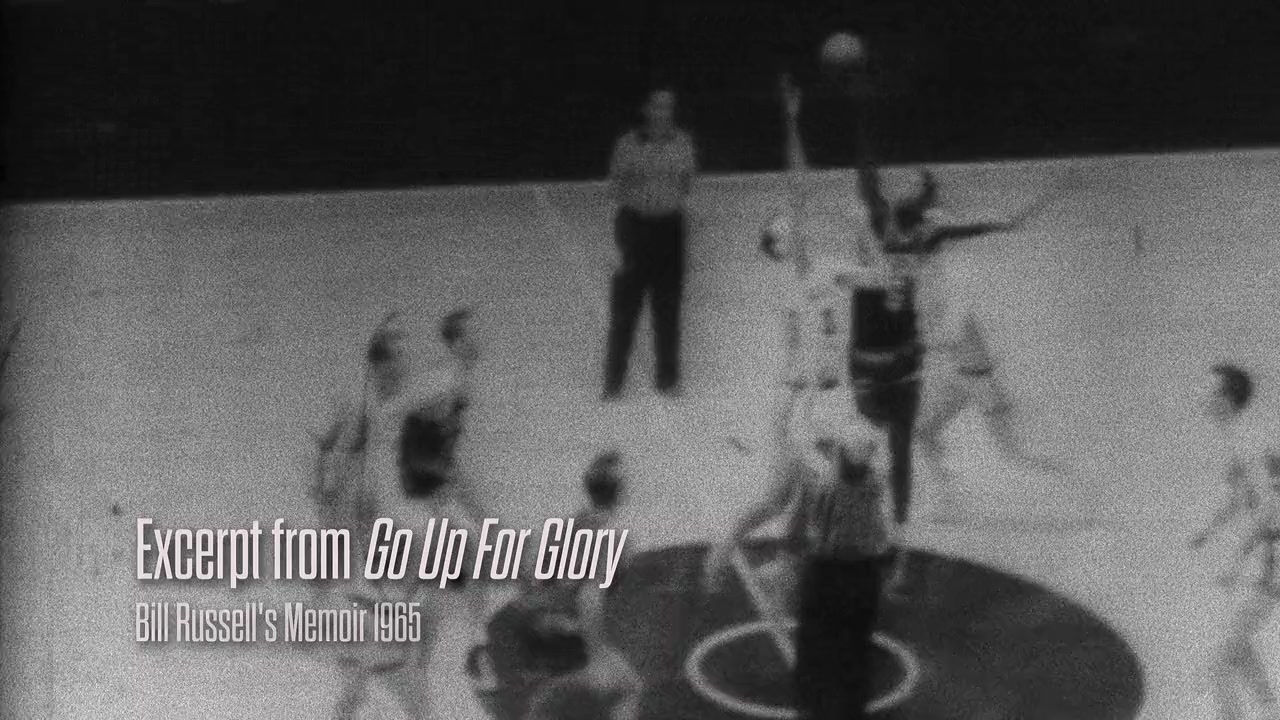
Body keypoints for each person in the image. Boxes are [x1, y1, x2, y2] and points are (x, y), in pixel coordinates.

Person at [704, 315, 894, 719]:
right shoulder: (812, 409)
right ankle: (777, 572)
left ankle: (782, 574)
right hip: (813, 442)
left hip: (822, 446)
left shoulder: (837, 398)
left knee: (805, 518)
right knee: (790, 510)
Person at [312, 309, 487, 719]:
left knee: (413, 595)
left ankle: (380, 681)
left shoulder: (403, 398)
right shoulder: (372, 403)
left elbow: (437, 406)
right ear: (382, 360)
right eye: (399, 350)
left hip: (403, 511)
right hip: (391, 515)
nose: (407, 359)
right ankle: (380, 681)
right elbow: (344, 458)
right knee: (409, 595)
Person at [468, 451, 643, 720]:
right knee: (630, 687)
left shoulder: (559, 529)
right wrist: (599, 655)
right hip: (566, 636)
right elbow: (588, 600)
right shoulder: (612, 544)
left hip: (544, 627)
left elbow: (529, 580)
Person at [1189, 364, 1280, 720]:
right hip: (1265, 556)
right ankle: (1270, 710)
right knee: (1237, 647)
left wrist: (1237, 560)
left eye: (1207, 389)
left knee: (1218, 662)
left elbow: (1272, 506)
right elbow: (1240, 499)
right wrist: (1207, 531)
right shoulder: (1236, 439)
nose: (1200, 395)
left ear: (1225, 399)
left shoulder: (1249, 442)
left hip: (1271, 560)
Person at [603, 86, 698, 400]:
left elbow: (686, 184)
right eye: (657, 106)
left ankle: (668, 379)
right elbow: (616, 187)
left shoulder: (683, 143)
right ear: (645, 109)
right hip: (636, 228)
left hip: (670, 229)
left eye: (669, 107)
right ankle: (614, 381)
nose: (664, 113)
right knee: (625, 309)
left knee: (668, 307)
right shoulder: (628, 144)